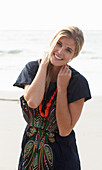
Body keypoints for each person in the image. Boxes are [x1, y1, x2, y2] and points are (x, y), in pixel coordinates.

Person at [13, 26, 91, 170]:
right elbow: (32, 102)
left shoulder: (77, 83)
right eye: (58, 44)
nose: (60, 52)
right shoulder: (33, 69)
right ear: (52, 43)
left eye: (68, 50)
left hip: (61, 157)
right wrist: (43, 66)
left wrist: (62, 88)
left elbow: (64, 130)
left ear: (73, 55)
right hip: (30, 153)